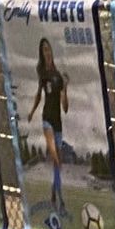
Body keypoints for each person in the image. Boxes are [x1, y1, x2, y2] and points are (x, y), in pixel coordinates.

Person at [25, 36, 70, 216]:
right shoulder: (43, 74)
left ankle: (53, 195)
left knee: (57, 164)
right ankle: (61, 201)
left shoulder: (58, 76)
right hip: (47, 120)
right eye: (44, 49)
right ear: (42, 54)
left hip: (58, 122)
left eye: (48, 48)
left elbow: (65, 108)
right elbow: (38, 95)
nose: (47, 52)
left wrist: (65, 89)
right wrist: (32, 111)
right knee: (56, 159)